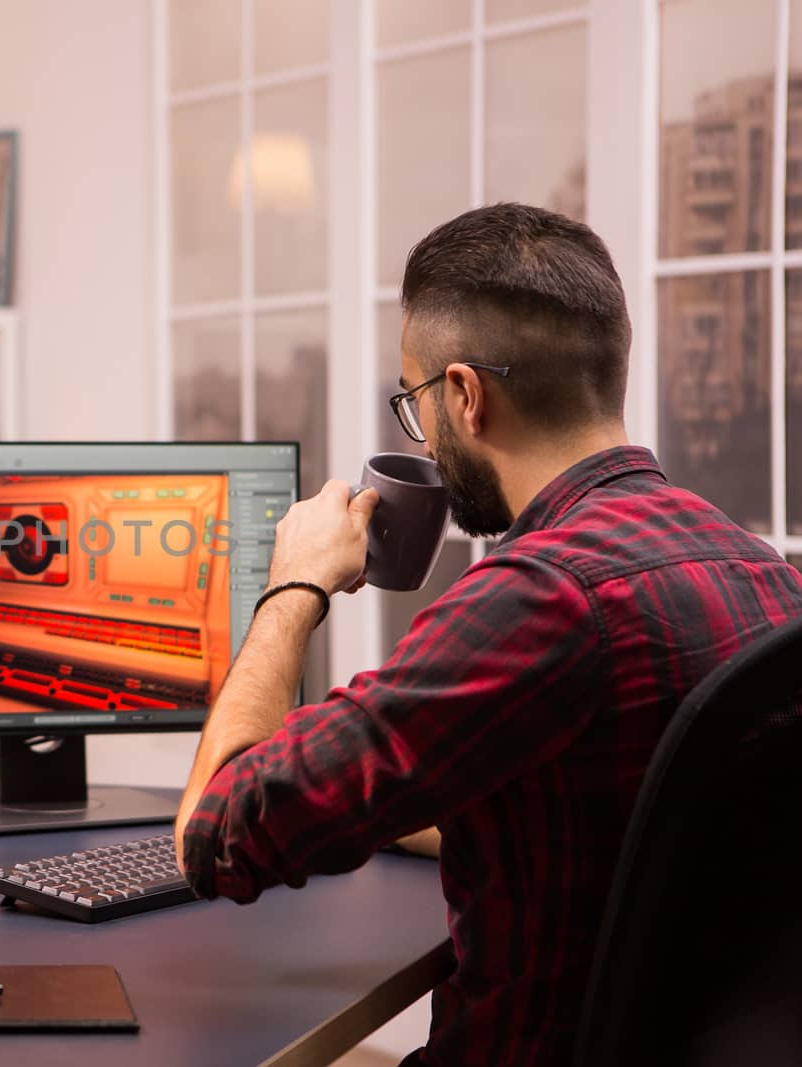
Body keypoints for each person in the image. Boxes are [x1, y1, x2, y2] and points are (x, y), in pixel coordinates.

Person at [175, 203, 802, 1067]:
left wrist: (295, 585)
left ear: (465, 395)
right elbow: (637, 819)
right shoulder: (758, 569)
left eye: (415, 402)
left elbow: (217, 831)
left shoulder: (537, 599)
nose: (421, 433)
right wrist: (383, 793)